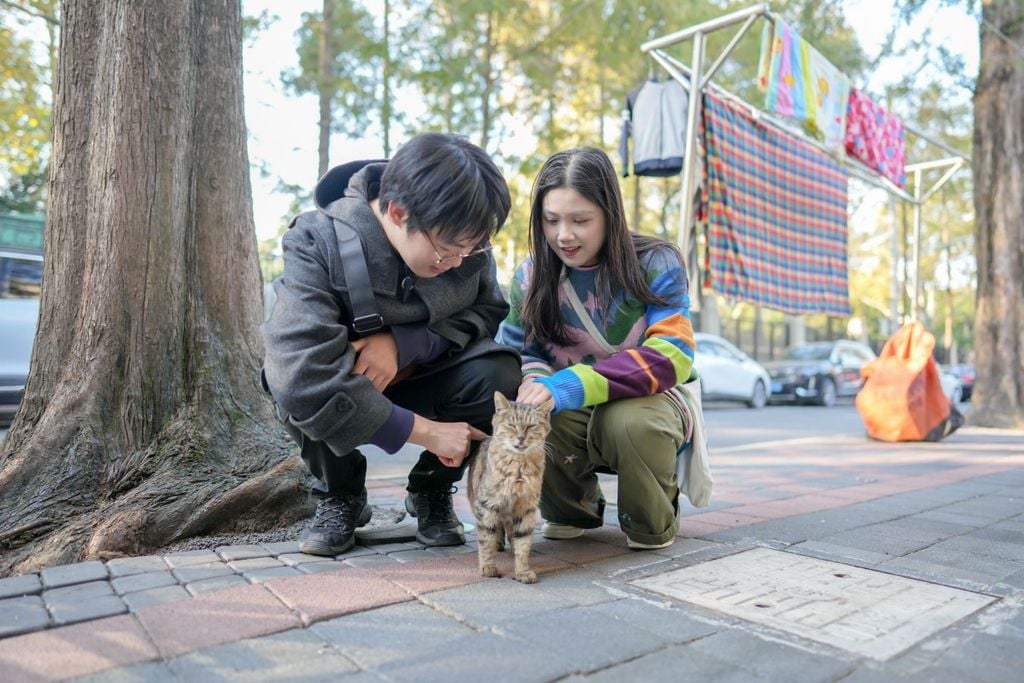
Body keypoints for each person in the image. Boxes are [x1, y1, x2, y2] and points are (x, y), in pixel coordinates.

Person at [263, 133, 521, 555]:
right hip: (349, 388)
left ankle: (431, 490)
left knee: (499, 372)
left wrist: (404, 344)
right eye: (448, 251)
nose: (460, 261)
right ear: (399, 213)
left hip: (429, 374)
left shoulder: (465, 241)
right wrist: (425, 433)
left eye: (472, 249)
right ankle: (340, 494)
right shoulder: (316, 240)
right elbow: (299, 372)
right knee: (292, 387)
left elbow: (486, 312)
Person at [498, 146, 696, 550]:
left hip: (647, 401)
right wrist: (535, 385)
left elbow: (673, 355)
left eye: (580, 220)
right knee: (535, 418)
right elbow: (519, 352)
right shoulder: (532, 275)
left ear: (610, 214)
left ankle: (649, 521)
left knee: (629, 421)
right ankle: (570, 509)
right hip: (564, 405)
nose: (563, 235)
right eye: (551, 221)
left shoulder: (657, 262)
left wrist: (569, 385)